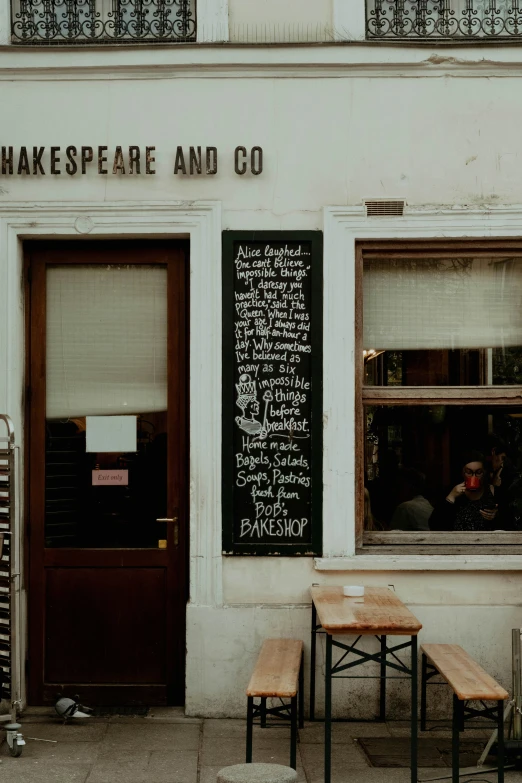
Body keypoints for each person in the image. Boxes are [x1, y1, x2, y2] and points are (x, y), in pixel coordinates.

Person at [429, 450, 498, 531]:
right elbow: (434, 525)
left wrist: (496, 516)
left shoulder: (493, 491)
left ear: (484, 473)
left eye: (479, 472)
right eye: (469, 472)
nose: (474, 477)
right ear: (462, 473)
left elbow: (507, 525)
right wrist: (451, 497)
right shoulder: (452, 491)